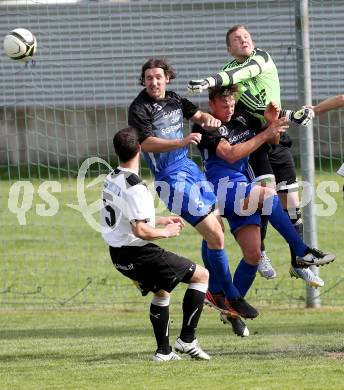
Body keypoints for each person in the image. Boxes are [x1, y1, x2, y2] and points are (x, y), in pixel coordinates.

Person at [192, 86, 336, 336]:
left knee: (253, 254)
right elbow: (229, 154)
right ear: (212, 104)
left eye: (232, 103)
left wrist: (271, 126)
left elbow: (273, 141)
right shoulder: (205, 125)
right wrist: (266, 132)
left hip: (243, 187)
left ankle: (230, 308)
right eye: (223, 105)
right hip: (220, 188)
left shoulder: (244, 117)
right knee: (268, 196)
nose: (229, 108)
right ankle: (302, 252)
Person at [187, 24, 320, 287]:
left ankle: (298, 262)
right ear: (229, 48)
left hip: (275, 134)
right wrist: (212, 82)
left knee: (292, 205)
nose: (244, 40)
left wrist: (290, 116)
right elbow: (234, 85)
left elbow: (251, 81)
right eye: (237, 39)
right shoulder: (227, 75)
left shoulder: (261, 58)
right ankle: (260, 254)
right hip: (255, 138)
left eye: (246, 36)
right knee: (264, 194)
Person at [128, 57, 258, 320]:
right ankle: (231, 297)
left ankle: (218, 291)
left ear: (167, 79)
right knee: (216, 236)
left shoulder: (175, 99)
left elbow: (197, 115)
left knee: (216, 230)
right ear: (144, 81)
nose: (154, 82)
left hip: (189, 170)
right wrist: (182, 141)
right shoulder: (139, 107)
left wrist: (211, 120)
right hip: (170, 178)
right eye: (149, 77)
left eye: (158, 77)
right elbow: (145, 143)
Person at [100, 126, 211, 361]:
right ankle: (187, 340)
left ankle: (164, 352)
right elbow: (140, 230)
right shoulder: (136, 187)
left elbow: (128, 218)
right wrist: (167, 231)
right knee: (201, 276)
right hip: (138, 253)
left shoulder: (112, 177)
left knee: (162, 291)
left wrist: (159, 219)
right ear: (140, 148)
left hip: (118, 255)